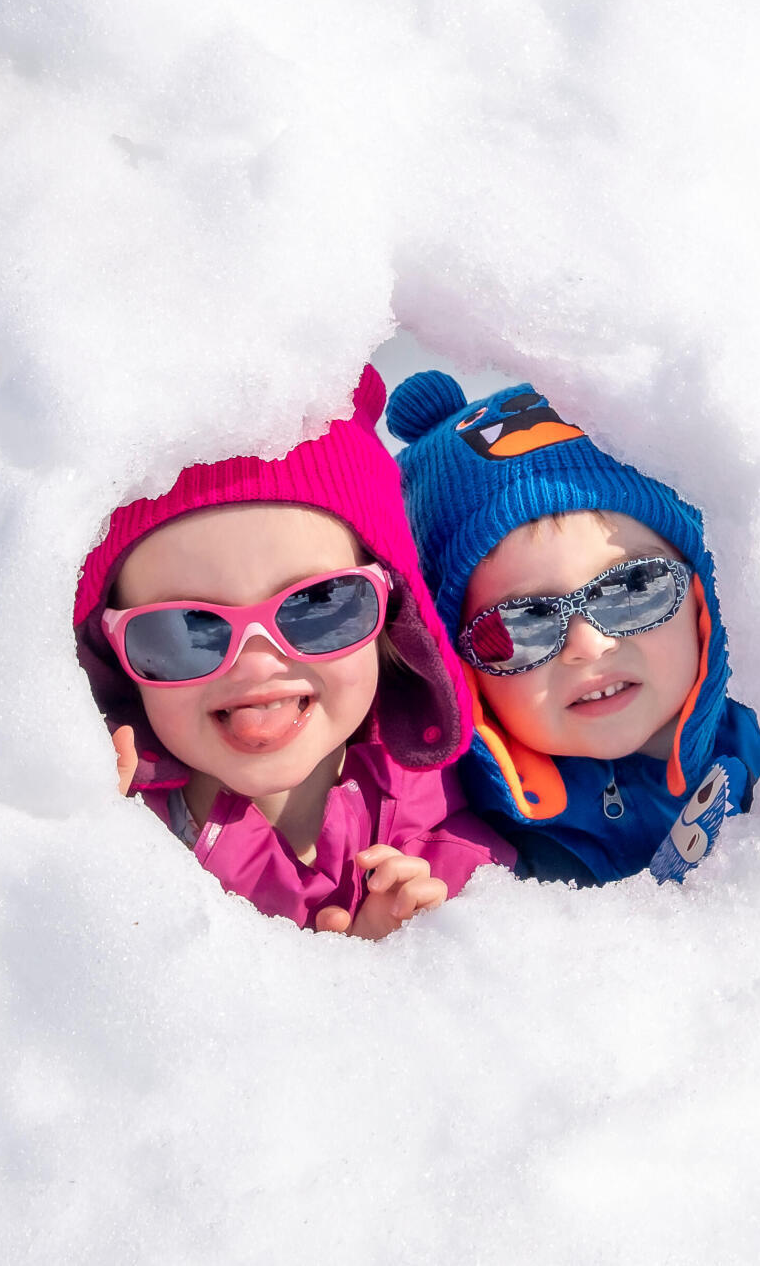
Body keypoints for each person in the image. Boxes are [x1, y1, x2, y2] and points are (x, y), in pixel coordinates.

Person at [73, 366, 513, 936]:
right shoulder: (104, 828)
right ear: (113, 655)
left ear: (394, 616)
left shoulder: (439, 841)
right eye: (184, 629)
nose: (257, 664)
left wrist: (405, 966)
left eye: (320, 603)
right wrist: (80, 837)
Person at [386, 374, 760, 886]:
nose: (588, 646)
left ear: (702, 592)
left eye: (634, 587)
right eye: (518, 626)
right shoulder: (469, 850)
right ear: (459, 673)